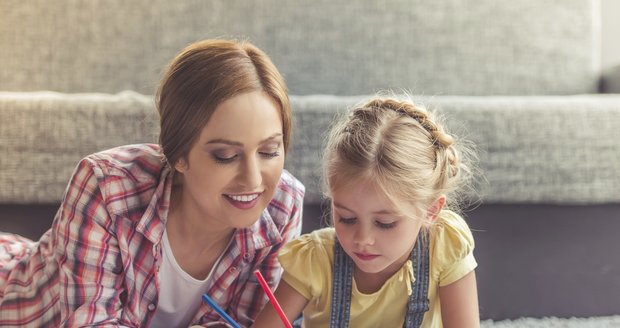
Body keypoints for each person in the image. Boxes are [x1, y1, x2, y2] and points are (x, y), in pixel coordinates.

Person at [0, 39, 304, 327]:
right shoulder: (106, 186)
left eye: (269, 151)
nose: (252, 179)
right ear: (179, 155)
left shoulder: (283, 205)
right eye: (225, 156)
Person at [253, 95, 479, 327]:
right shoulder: (315, 261)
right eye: (347, 218)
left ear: (431, 211)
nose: (363, 239)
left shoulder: (444, 244)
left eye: (385, 223)